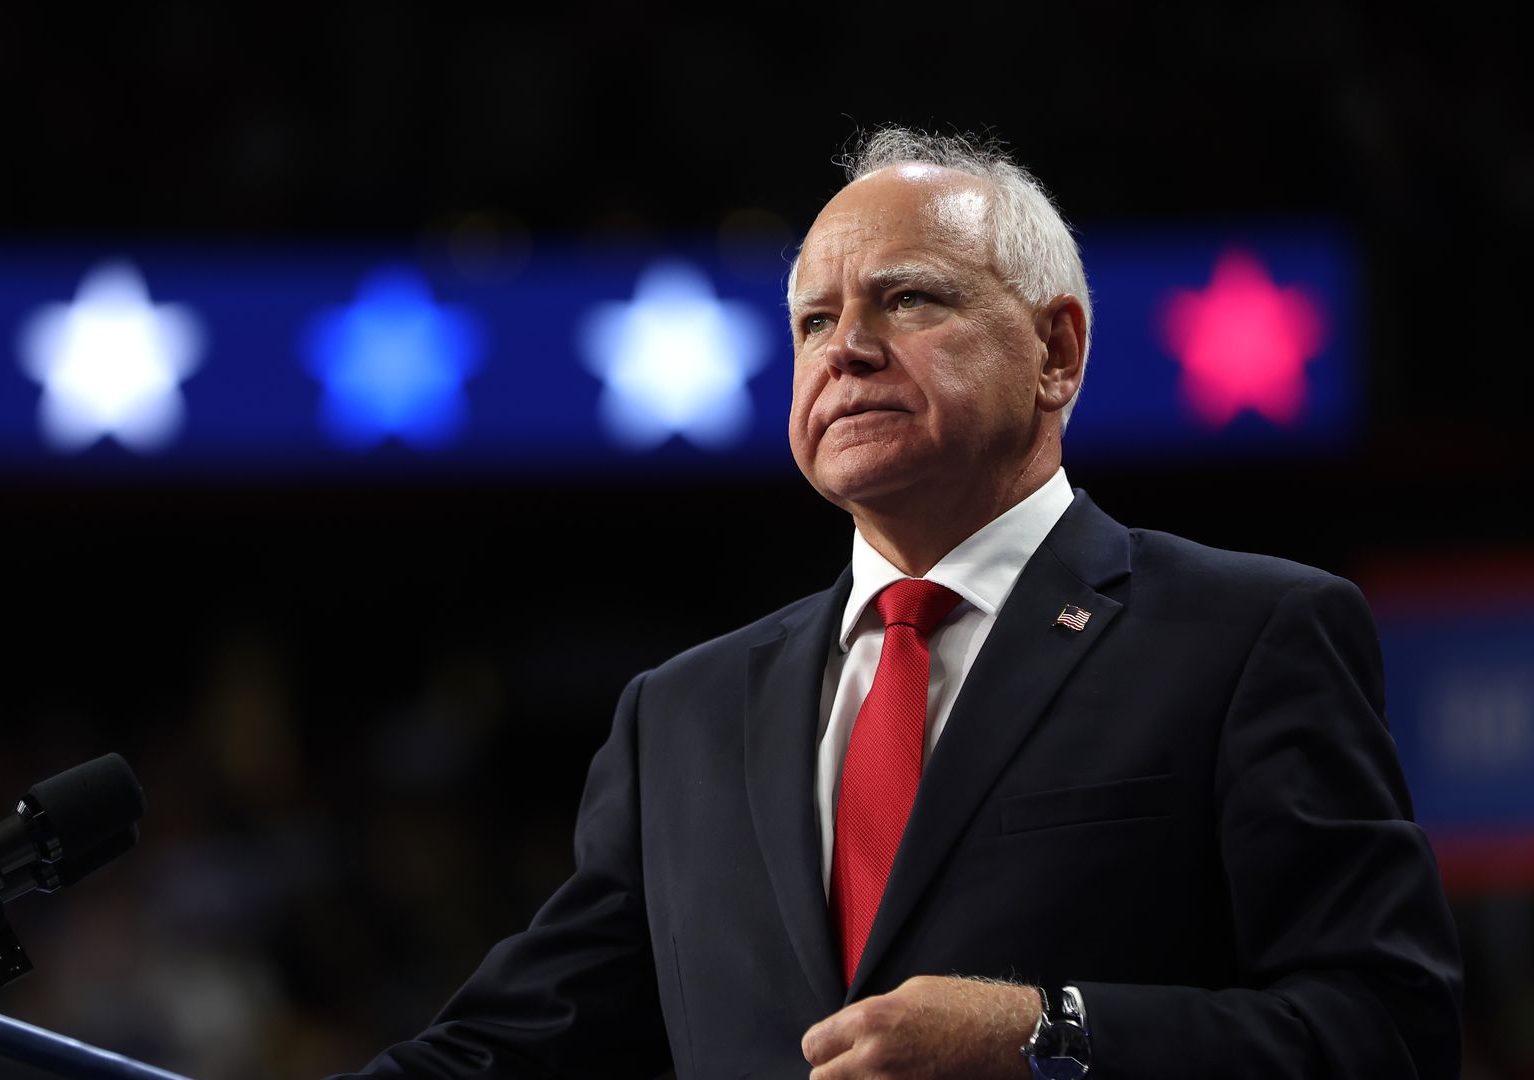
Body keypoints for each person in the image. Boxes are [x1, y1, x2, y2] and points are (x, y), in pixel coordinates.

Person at [332, 127, 1463, 1079]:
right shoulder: (680, 713)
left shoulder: (1248, 635)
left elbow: (1388, 1030)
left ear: (1056, 350)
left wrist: (1043, 1032)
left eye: (908, 299)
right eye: (815, 322)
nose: (849, 349)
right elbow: (513, 1048)